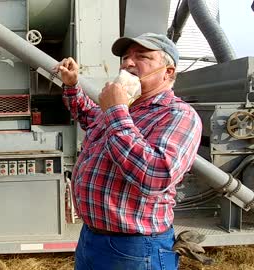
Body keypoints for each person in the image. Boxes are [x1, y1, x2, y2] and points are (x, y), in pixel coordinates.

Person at [55, 33, 202, 270]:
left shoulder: (178, 115)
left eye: (142, 57)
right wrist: (72, 85)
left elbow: (155, 175)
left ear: (168, 72)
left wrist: (115, 110)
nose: (128, 63)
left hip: (135, 248)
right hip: (92, 239)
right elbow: (89, 116)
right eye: (125, 58)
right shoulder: (126, 109)